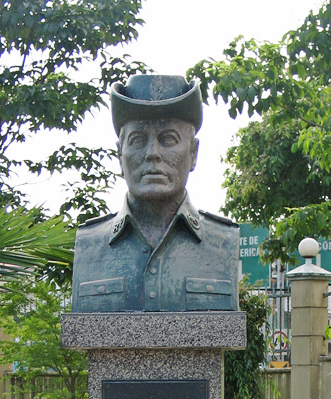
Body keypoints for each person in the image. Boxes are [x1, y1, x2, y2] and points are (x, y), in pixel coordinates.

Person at [71, 74, 239, 313]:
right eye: (138, 139)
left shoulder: (223, 241)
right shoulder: (90, 245)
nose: (152, 153)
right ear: (120, 154)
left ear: (193, 153)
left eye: (168, 139)